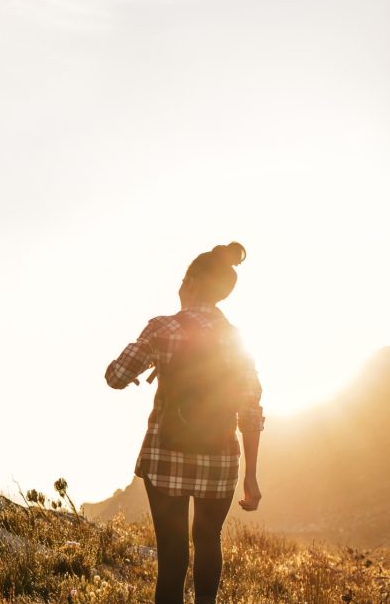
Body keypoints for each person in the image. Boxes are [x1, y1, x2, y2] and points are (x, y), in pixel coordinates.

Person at [105, 242, 264, 604]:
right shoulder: (237, 339)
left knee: (173, 558)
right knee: (209, 542)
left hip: (166, 458)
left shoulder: (163, 328)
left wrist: (144, 365)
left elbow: (115, 376)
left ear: (190, 282)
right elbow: (250, 411)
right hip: (221, 461)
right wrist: (251, 475)